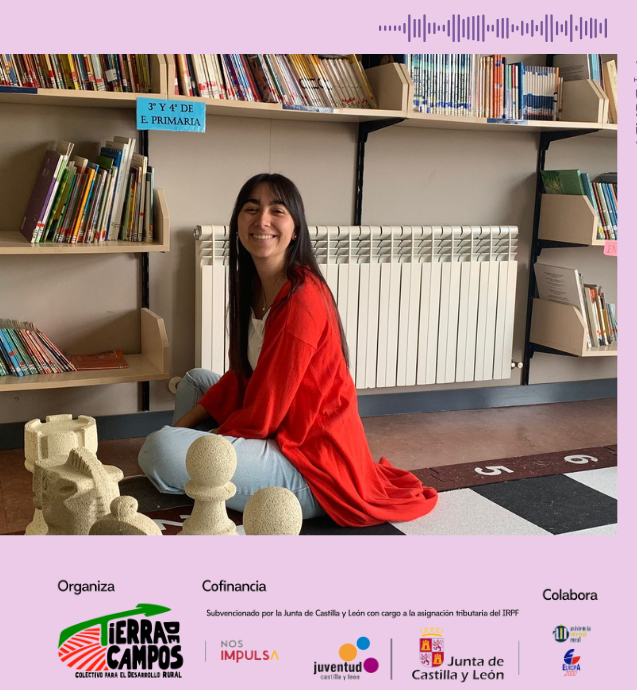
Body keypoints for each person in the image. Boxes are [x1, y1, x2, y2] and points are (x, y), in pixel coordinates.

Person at [138, 174, 438, 527]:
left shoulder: (302, 298)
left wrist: (195, 440)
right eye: (252, 209)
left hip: (311, 466)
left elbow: (264, 412)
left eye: (277, 211)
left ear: (295, 229)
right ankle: (197, 475)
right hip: (277, 429)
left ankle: (194, 476)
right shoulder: (254, 286)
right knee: (195, 381)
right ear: (238, 222)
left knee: (159, 449)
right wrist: (184, 431)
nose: (262, 220)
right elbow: (242, 377)